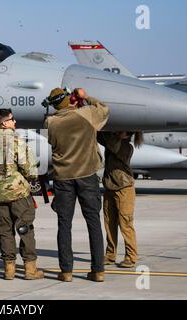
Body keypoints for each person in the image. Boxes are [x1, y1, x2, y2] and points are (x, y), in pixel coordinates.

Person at [44, 87, 109, 282]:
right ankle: (98, 270)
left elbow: (51, 140)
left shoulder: (51, 122)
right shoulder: (86, 114)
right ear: (70, 100)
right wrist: (86, 97)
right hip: (87, 174)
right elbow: (104, 109)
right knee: (93, 222)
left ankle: (66, 271)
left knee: (64, 224)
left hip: (63, 177)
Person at [0, 109, 44, 280]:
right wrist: (31, 179)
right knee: (25, 229)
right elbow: (30, 169)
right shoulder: (16, 141)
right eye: (12, 119)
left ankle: (9, 269)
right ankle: (30, 269)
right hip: (18, 194)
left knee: (5, 231)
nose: (15, 122)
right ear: (4, 123)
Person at [98, 131, 143, 268]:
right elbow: (99, 137)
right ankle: (110, 255)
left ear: (127, 134)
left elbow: (111, 144)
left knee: (125, 224)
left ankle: (131, 256)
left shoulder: (126, 147)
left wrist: (107, 131)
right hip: (110, 187)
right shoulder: (113, 142)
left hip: (124, 189)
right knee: (109, 224)